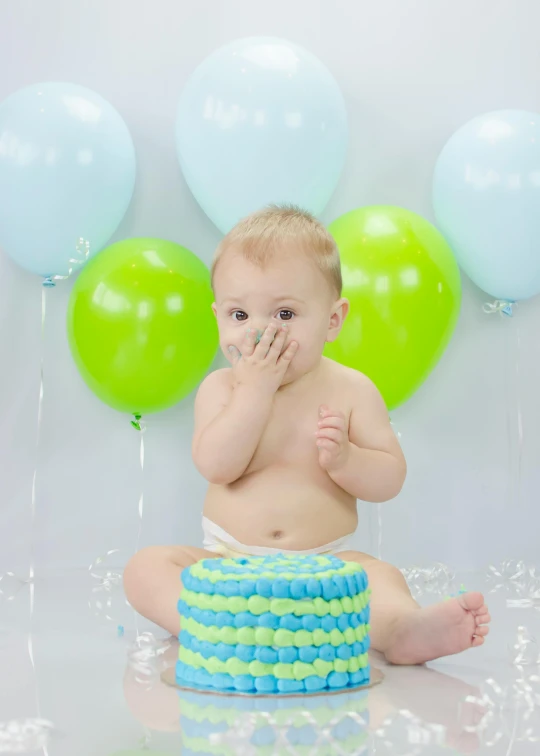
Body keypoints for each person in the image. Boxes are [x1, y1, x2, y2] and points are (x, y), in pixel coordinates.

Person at [124, 205, 490, 664]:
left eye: (284, 313)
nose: (259, 332)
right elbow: (217, 466)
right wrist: (254, 393)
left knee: (379, 578)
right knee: (146, 569)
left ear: (333, 320)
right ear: (217, 315)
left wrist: (347, 460)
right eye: (239, 314)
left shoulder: (351, 389)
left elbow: (389, 479)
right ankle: (209, 623)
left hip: (328, 568)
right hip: (229, 568)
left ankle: (401, 630)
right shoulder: (221, 388)